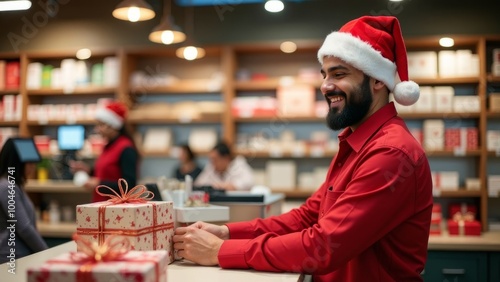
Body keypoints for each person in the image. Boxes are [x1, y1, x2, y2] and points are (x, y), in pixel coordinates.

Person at [173, 16, 433, 281]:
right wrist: (227, 232)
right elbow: (307, 218)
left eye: (339, 74)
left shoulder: (390, 153)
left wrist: (221, 251)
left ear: (378, 80)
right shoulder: (355, 144)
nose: (325, 85)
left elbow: (323, 246)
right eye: (325, 74)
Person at [70, 101, 140, 202]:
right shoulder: (108, 146)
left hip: (116, 210)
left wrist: (98, 183)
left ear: (113, 125)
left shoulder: (126, 148)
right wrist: (88, 171)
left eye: (101, 125)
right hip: (102, 205)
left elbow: (129, 185)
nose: (97, 129)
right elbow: (107, 173)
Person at [0, 138, 48, 263]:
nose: (33, 168)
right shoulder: (7, 187)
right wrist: (47, 252)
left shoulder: (13, 185)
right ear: (17, 163)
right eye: (30, 163)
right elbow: (24, 227)